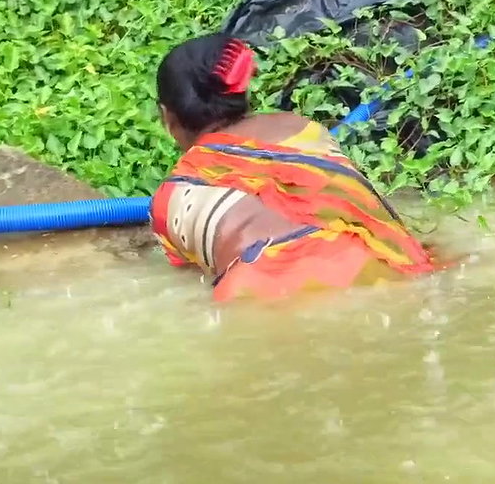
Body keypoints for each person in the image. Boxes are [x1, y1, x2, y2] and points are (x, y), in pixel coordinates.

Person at [149, 32, 438, 302]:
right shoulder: (301, 128)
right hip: (360, 258)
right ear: (241, 91)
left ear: (167, 116)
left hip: (256, 283)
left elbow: (191, 277)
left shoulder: (171, 197)